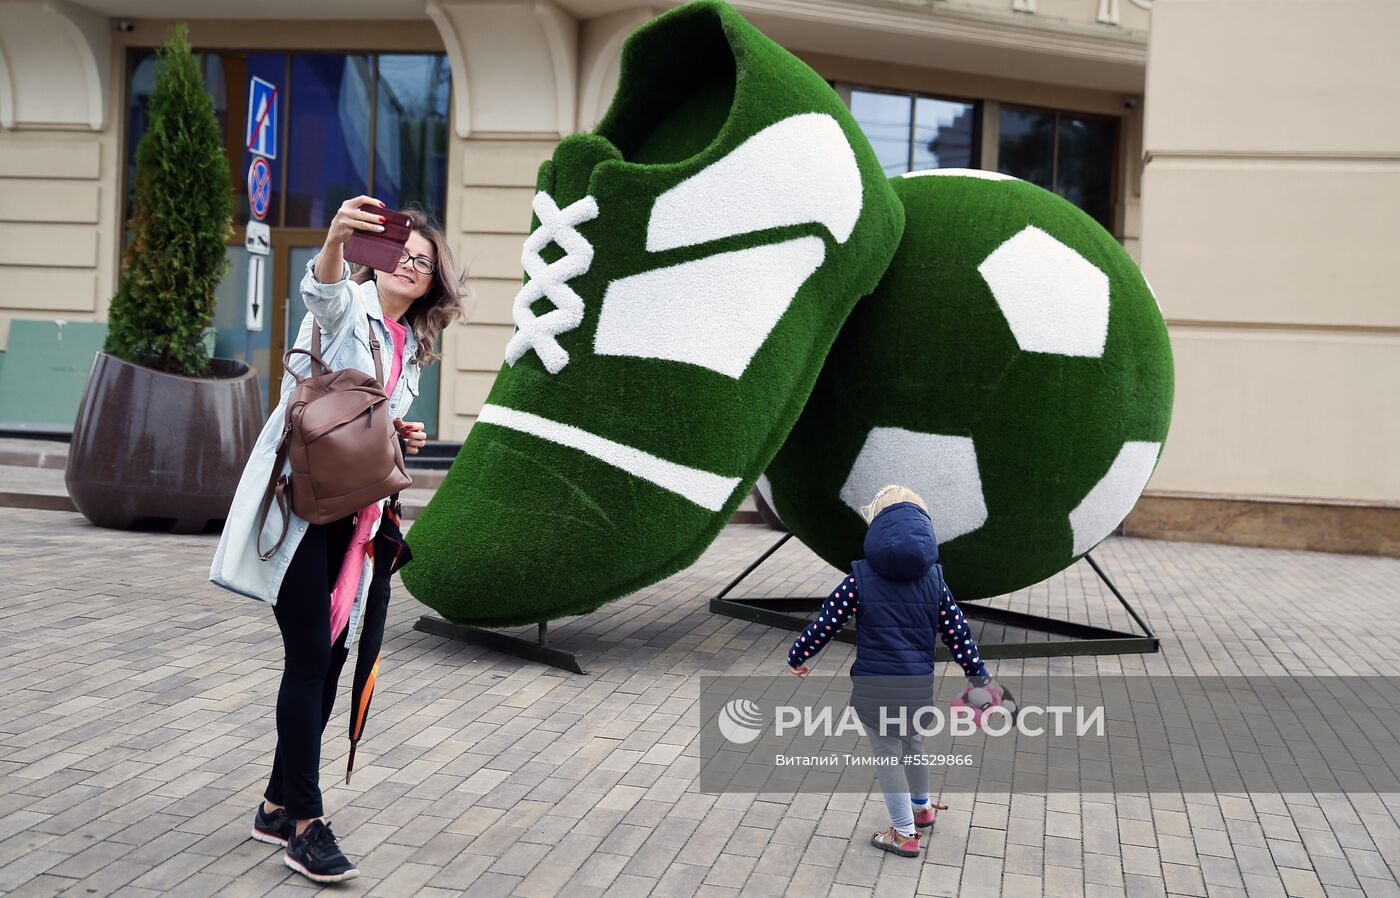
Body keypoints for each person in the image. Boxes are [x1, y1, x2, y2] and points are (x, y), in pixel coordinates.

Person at [210, 196, 467, 883]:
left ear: (433, 281)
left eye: (424, 262)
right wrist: (333, 240)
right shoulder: (350, 306)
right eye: (402, 254)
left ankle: (275, 805)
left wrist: (399, 434)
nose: (410, 266)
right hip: (301, 507)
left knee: (330, 657)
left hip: (356, 519)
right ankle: (305, 826)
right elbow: (320, 291)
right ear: (377, 259)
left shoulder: (410, 347)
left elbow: (365, 423)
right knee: (308, 659)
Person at [786, 485, 1012, 858]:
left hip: (875, 687)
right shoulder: (935, 580)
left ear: (876, 525)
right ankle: (921, 809)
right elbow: (958, 633)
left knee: (888, 755)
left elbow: (826, 623)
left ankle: (905, 834)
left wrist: (798, 656)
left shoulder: (859, 578)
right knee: (913, 744)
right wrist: (978, 676)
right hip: (917, 686)